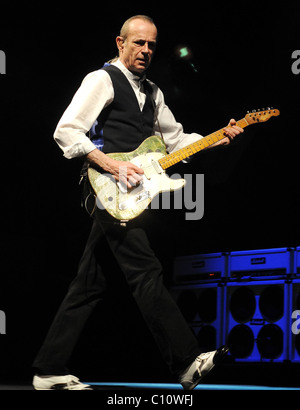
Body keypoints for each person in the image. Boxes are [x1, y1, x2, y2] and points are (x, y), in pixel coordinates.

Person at [32, 15, 243, 390]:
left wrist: (217, 137)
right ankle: (185, 360)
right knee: (145, 271)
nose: (145, 50)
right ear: (120, 42)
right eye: (138, 43)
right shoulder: (102, 79)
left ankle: (48, 370)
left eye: (151, 45)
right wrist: (112, 165)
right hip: (105, 189)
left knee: (89, 284)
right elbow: (66, 131)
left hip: (132, 196)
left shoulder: (155, 93)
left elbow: (176, 141)